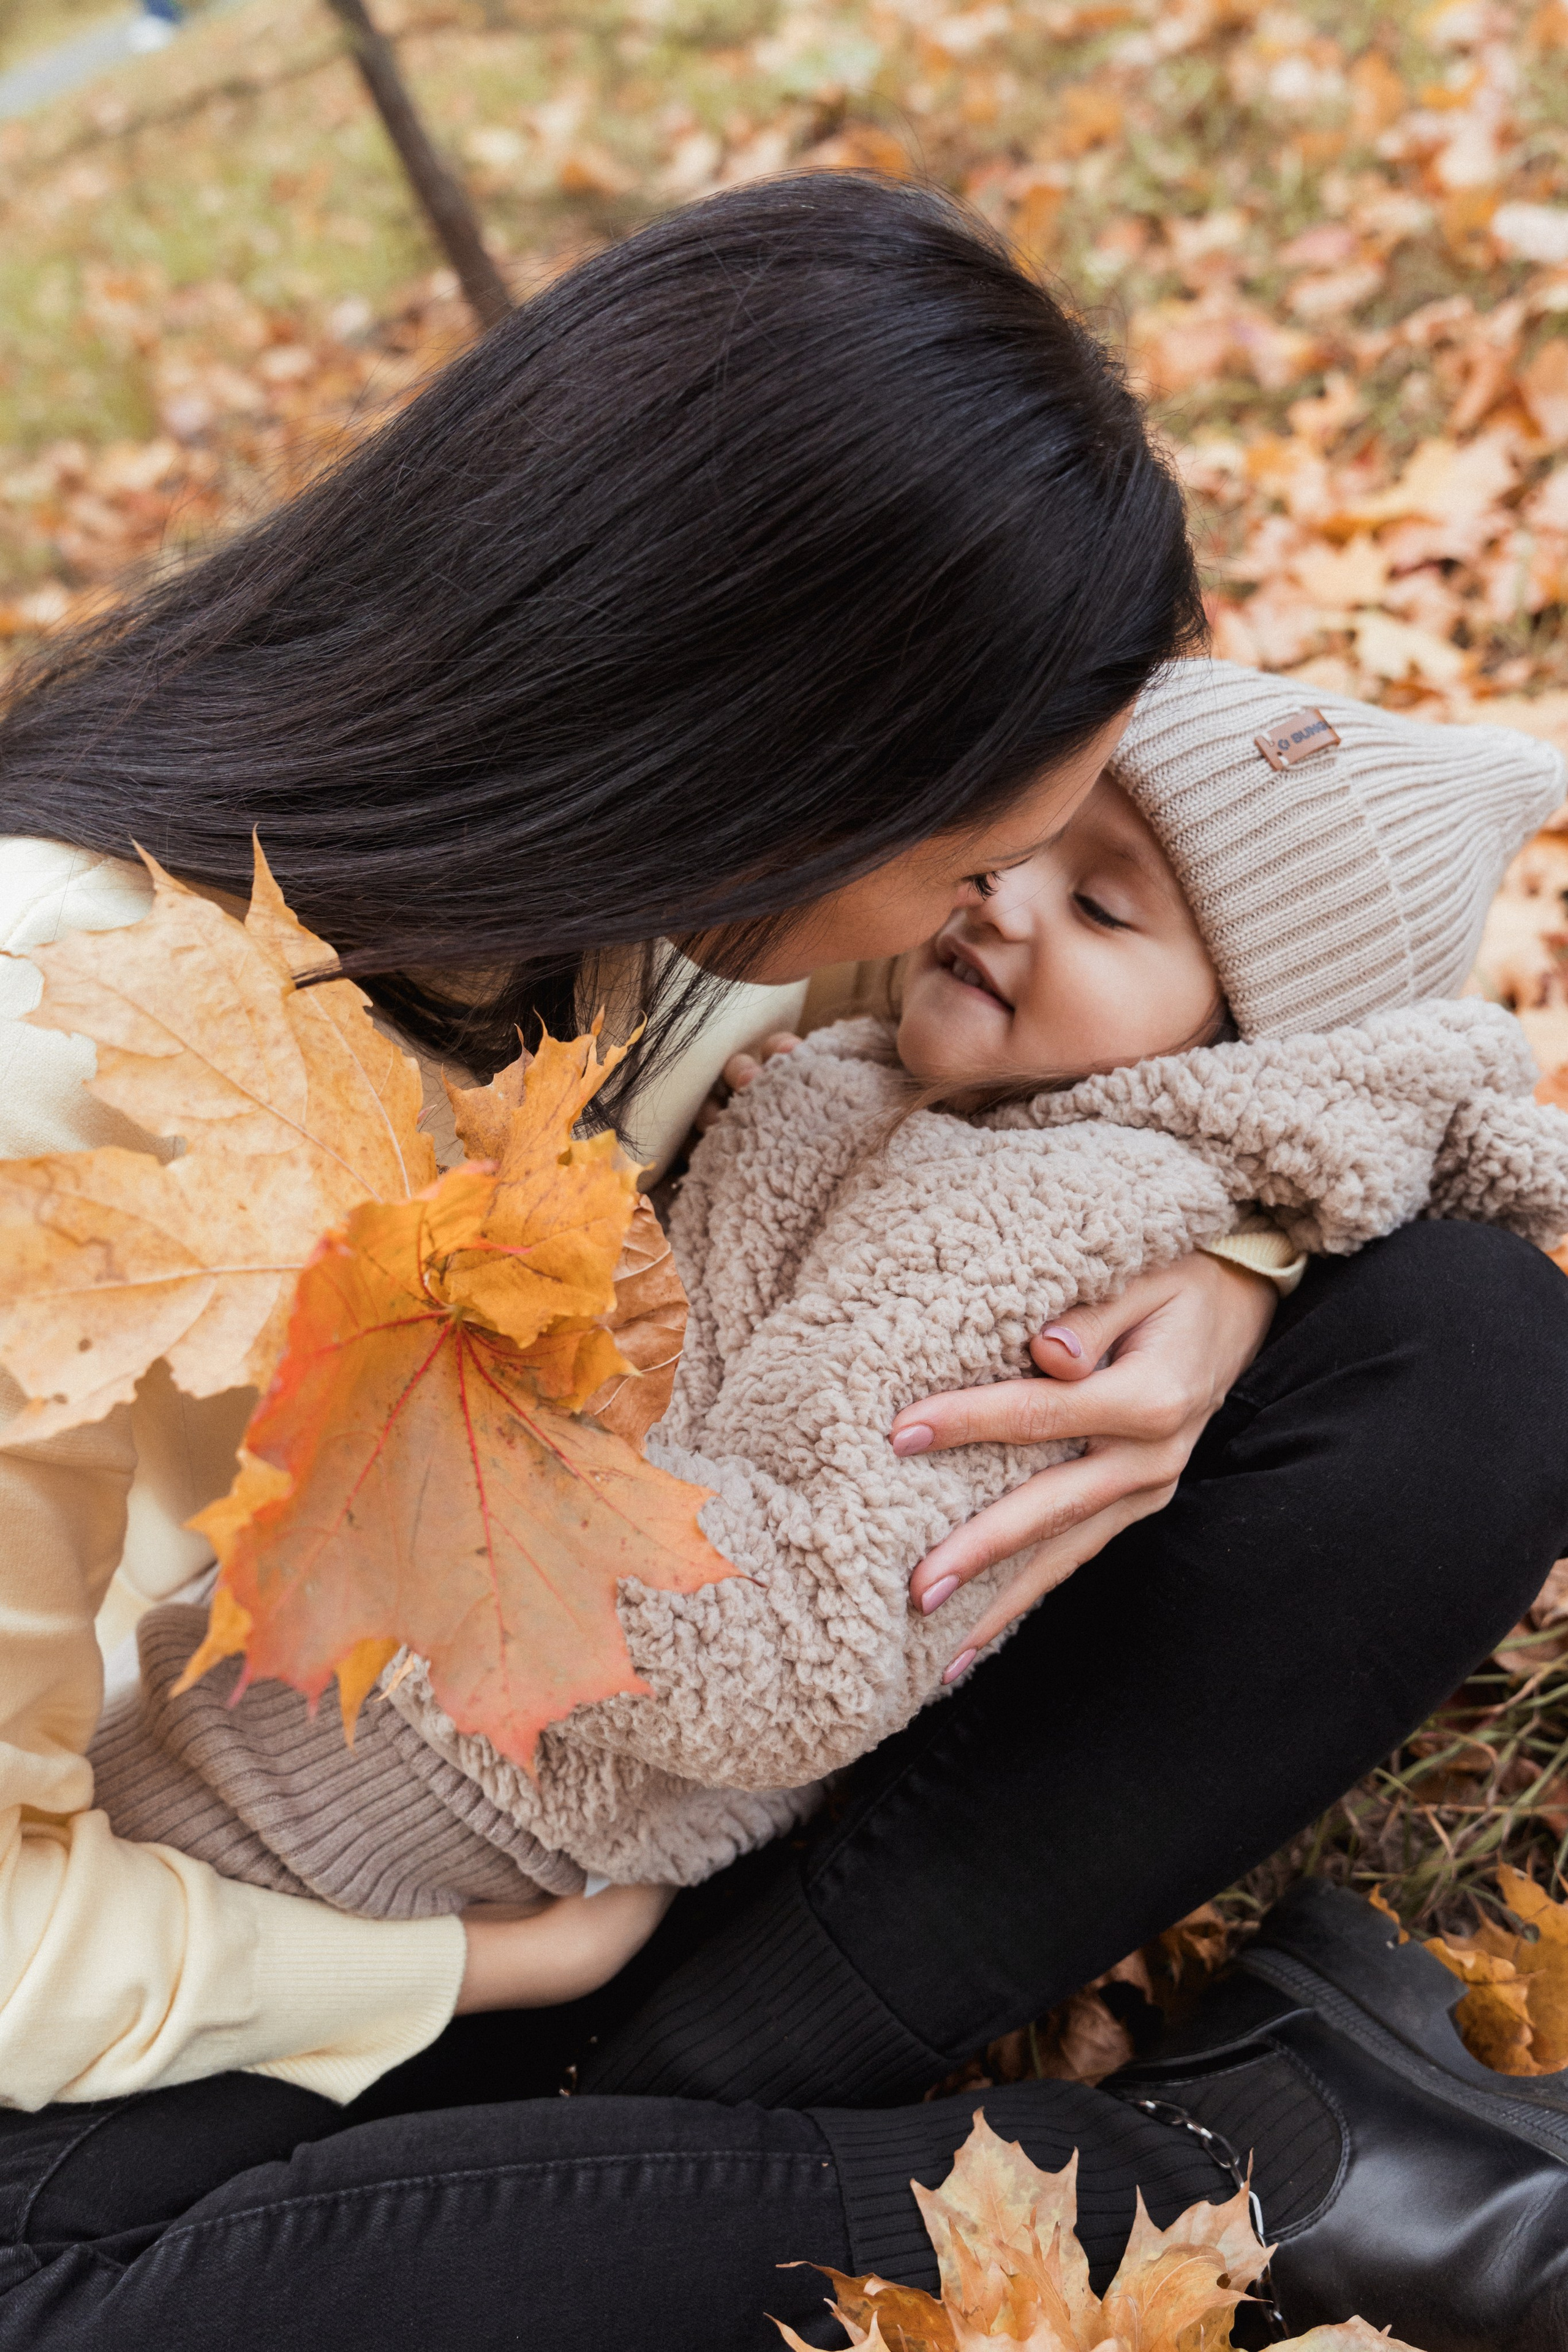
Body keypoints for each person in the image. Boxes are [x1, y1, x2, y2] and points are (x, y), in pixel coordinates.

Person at [0, 175, 1563, 2352]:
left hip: (626, 1834)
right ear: (789, 765)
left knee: (1467, 1355)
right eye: (982, 857)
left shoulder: (639, 904)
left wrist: (1235, 1242)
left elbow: (1270, 1017)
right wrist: (481, 1970)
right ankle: (1229, 2178)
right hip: (184, 1932)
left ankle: (618, 2147)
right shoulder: (56, 1056)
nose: (981, 917)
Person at [86, 659, 1568, 1942]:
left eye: (1098, 905)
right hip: (359, 1687)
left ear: (1243, 1048)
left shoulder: (1054, 1227)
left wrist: (457, 1432)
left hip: (452, 1779)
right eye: (1017, 839)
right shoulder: (908, 1075)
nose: (997, 895)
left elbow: (802, 1653)